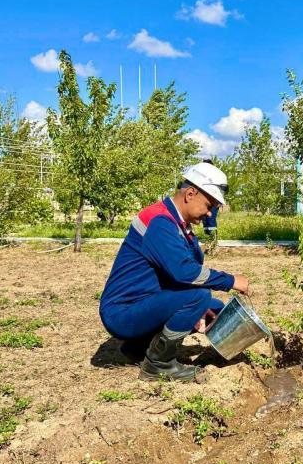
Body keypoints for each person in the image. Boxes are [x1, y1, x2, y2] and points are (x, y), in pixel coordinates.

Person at [99, 162, 250, 381]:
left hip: (141, 304)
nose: (209, 214)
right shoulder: (160, 222)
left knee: (214, 307)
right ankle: (158, 365)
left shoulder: (178, 225)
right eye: (209, 206)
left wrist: (199, 309)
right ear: (190, 193)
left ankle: (138, 348)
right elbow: (185, 273)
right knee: (199, 298)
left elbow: (179, 275)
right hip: (122, 313)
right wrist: (230, 280)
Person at [201, 159, 219, 240]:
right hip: (204, 200)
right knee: (205, 218)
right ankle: (207, 237)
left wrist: (218, 201)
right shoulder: (201, 176)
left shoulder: (216, 176)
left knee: (211, 218)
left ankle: (213, 239)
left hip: (214, 200)